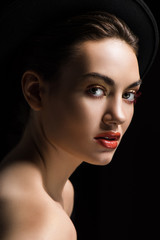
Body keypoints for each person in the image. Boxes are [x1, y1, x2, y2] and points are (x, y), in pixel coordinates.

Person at [0, 1, 159, 239]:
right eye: (96, 90)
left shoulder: (59, 190)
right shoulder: (41, 224)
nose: (118, 115)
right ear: (35, 91)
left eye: (128, 95)